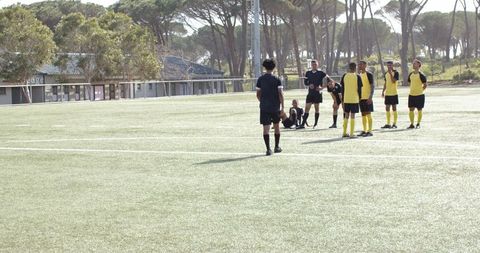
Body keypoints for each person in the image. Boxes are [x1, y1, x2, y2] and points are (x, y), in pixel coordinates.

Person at [256, 59, 284, 156]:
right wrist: (283, 107)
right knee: (276, 126)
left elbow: (258, 94)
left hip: (264, 107)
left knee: (266, 129)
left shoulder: (260, 79)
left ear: (264, 67)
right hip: (275, 107)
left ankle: (268, 149)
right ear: (274, 67)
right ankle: (277, 147)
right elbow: (280, 94)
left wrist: (263, 102)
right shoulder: (277, 79)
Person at [297, 60, 328, 129]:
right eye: (313, 64)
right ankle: (302, 124)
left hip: (317, 93)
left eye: (315, 64)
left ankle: (315, 124)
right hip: (310, 93)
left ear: (317, 65)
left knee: (316, 109)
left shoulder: (321, 73)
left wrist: (321, 87)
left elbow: (329, 80)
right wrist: (309, 85)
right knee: (307, 108)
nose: (314, 66)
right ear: (311, 65)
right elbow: (305, 82)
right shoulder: (308, 73)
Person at [340, 62, 363, 138]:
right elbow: (359, 89)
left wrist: (343, 99)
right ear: (355, 68)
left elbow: (342, 89)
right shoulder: (358, 76)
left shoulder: (344, 76)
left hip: (346, 99)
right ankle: (352, 134)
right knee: (353, 116)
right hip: (354, 99)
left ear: (349, 68)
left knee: (346, 116)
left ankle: (344, 133)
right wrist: (360, 97)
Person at [407, 59, 427, 129]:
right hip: (411, 95)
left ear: (419, 65)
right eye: (413, 63)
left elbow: (425, 85)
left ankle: (418, 123)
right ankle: (412, 124)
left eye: (415, 64)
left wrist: (420, 90)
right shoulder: (411, 74)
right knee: (411, 109)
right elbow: (409, 82)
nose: (413, 65)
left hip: (420, 95)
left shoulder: (421, 75)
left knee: (419, 109)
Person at [358, 60, 375, 137]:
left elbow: (372, 86)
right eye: (359, 64)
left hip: (367, 98)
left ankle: (370, 131)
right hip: (361, 98)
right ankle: (364, 130)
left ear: (365, 65)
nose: (359, 66)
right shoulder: (359, 75)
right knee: (363, 114)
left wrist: (370, 97)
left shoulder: (369, 74)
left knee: (368, 114)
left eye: (361, 64)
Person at [381, 61, 400, 129]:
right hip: (388, 94)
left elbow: (393, 81)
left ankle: (394, 123)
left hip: (394, 93)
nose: (389, 67)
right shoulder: (386, 73)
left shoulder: (396, 72)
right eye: (388, 65)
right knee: (387, 108)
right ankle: (388, 123)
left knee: (394, 108)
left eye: (390, 65)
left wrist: (390, 74)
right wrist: (383, 91)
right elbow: (386, 83)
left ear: (393, 65)